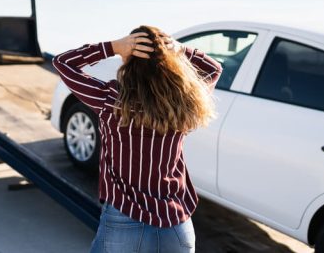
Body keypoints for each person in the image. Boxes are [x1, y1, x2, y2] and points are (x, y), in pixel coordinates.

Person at [52, 25, 223, 253]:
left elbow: (62, 63)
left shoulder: (110, 100)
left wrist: (113, 46)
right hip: (175, 223)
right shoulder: (183, 103)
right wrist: (180, 49)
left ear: (127, 60)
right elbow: (213, 69)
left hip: (123, 220)